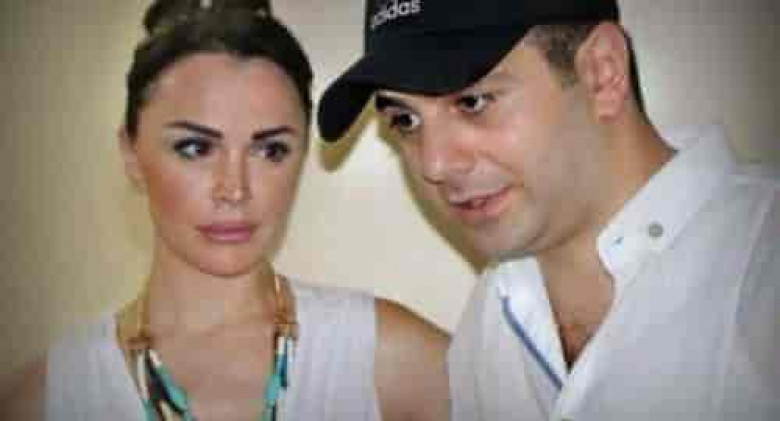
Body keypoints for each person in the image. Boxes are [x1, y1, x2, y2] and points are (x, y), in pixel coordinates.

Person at [317, 0, 780, 419]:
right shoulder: (490, 319)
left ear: (603, 71)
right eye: (405, 120)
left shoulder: (764, 263)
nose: (434, 164)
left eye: (473, 102)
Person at [0, 1, 450, 420]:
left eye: (270, 150)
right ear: (131, 154)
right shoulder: (48, 398)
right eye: (195, 148)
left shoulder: (387, 360)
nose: (234, 189)